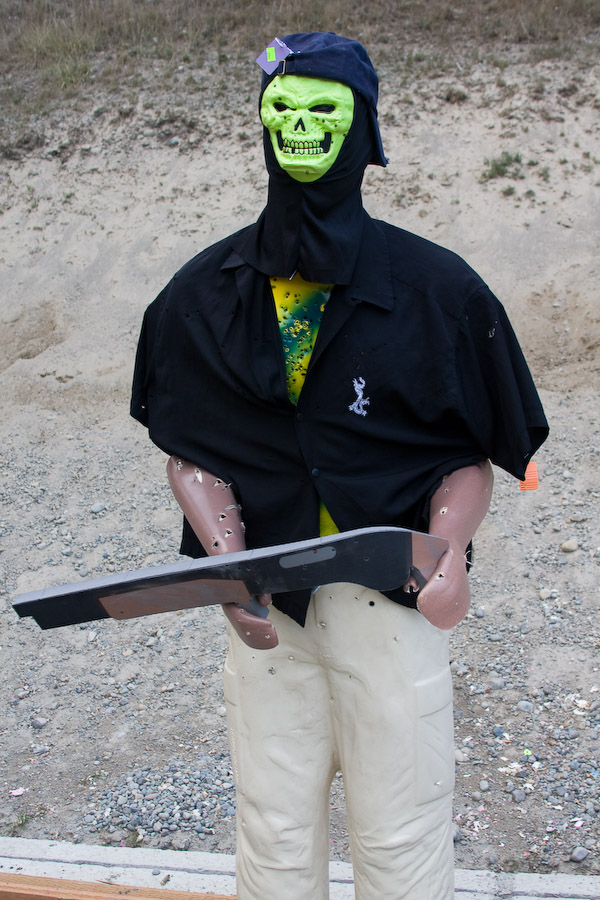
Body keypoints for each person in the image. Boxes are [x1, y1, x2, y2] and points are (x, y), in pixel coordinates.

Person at [131, 32, 548, 900]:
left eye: (325, 109)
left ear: (364, 124)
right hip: (267, 612)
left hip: (387, 605)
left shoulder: (439, 294)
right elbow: (193, 453)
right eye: (283, 108)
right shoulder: (202, 295)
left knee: (403, 829)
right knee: (272, 826)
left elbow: (467, 457)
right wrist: (227, 563)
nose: (301, 127)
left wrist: (448, 552)